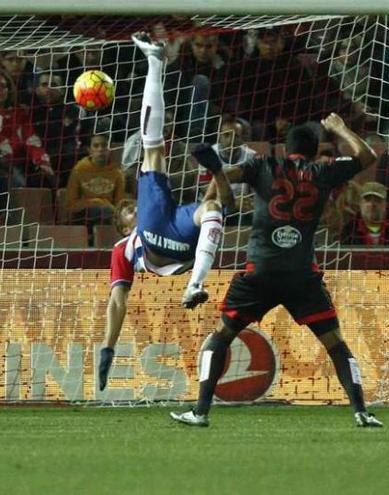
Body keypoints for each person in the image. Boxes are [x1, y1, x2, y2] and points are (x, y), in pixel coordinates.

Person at [170, 113, 383, 428]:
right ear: (313, 152)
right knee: (336, 344)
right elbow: (367, 156)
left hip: (260, 271)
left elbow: (226, 175)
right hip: (301, 274)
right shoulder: (323, 172)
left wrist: (217, 175)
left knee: (221, 337)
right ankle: (361, 412)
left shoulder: (263, 166)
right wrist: (340, 129)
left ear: (285, 149)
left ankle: (200, 412)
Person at [98, 33, 235, 391]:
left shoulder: (127, 242)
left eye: (129, 204)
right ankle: (155, 62)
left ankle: (195, 285)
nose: (130, 207)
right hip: (164, 238)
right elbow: (117, 302)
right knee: (158, 155)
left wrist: (219, 172)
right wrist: (107, 348)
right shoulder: (123, 247)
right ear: (120, 222)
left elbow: (227, 205)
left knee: (204, 200)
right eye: (126, 209)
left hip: (168, 236)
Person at [340, 181, 389, 246]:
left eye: (377, 200)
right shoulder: (349, 231)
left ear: (385, 205)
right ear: (360, 203)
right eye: (367, 200)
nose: (372, 204)